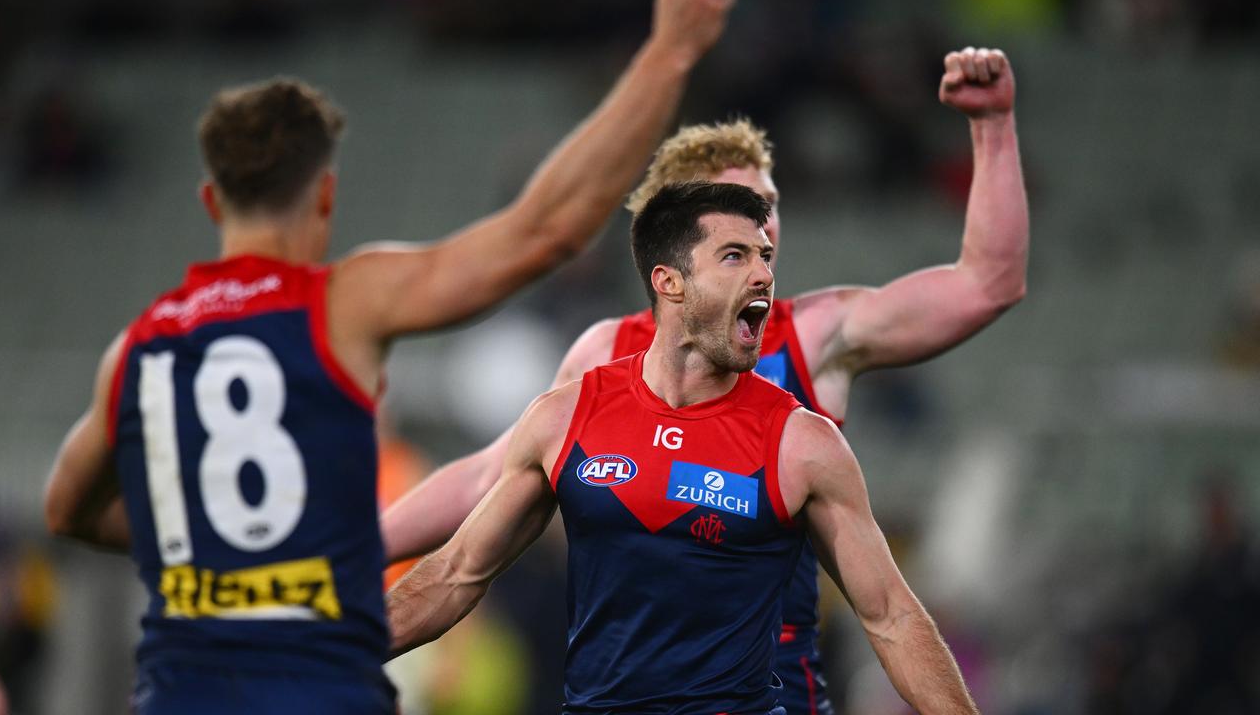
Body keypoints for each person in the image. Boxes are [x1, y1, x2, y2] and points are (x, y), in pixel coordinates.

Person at [41, 0, 736, 711]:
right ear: (325, 197)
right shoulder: (343, 303)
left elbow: (67, 512)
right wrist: (669, 52)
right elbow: (547, 232)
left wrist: (218, 541)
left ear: (211, 202)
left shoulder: (140, 346)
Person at [381, 45, 1027, 714]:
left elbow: (989, 283)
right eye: (743, 213)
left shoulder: (814, 346)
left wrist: (994, 126)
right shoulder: (594, 373)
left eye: (770, 208)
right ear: (670, 257)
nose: (768, 230)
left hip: (774, 689)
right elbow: (476, 516)